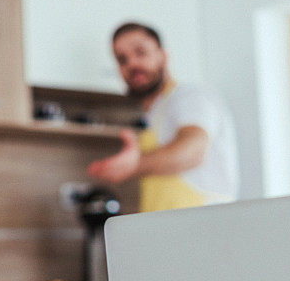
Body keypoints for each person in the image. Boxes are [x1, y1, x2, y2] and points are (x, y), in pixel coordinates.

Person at [87, 23, 239, 212]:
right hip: (168, 228)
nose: (132, 64)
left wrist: (135, 165)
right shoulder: (155, 113)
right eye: (122, 59)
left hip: (203, 225)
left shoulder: (189, 96)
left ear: (163, 55)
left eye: (141, 52)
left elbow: (193, 151)